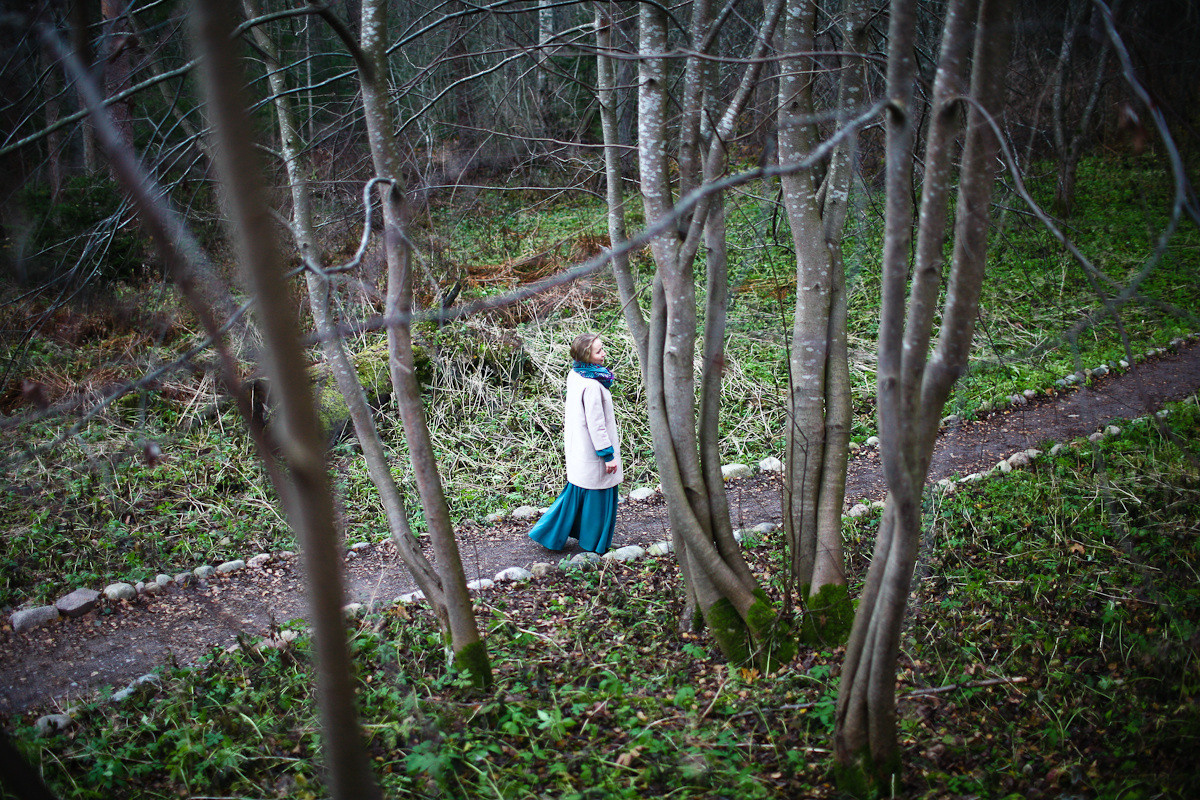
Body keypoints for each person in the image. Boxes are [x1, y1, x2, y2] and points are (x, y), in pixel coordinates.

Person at [528, 332, 623, 555]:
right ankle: (595, 545)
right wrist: (607, 455)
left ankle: (548, 534)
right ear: (585, 355)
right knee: (599, 497)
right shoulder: (592, 385)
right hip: (594, 452)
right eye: (598, 351)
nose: (604, 354)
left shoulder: (576, 373)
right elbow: (597, 425)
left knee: (576, 496)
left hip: (580, 449)